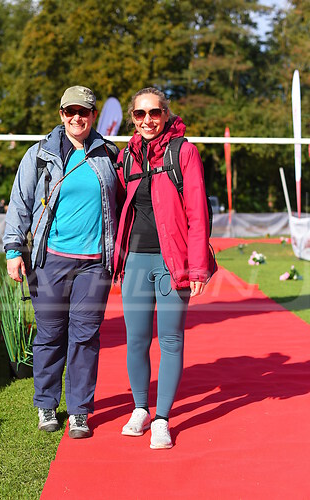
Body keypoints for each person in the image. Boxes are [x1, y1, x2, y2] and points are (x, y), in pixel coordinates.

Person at [3, 85, 119, 439]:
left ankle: (80, 411)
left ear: (93, 115)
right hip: (50, 260)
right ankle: (47, 405)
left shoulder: (110, 154)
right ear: (61, 114)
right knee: (51, 335)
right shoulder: (39, 154)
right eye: (71, 111)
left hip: (95, 265)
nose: (77, 118)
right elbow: (20, 202)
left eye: (83, 111)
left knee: (85, 337)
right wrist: (13, 249)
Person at [114, 87, 216, 449]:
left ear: (166, 114)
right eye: (140, 114)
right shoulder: (126, 156)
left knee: (171, 340)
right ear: (132, 118)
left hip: (173, 262)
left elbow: (198, 213)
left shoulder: (183, 151)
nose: (148, 120)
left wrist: (198, 267)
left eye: (154, 112)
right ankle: (140, 409)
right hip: (135, 261)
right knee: (137, 340)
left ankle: (161, 419)